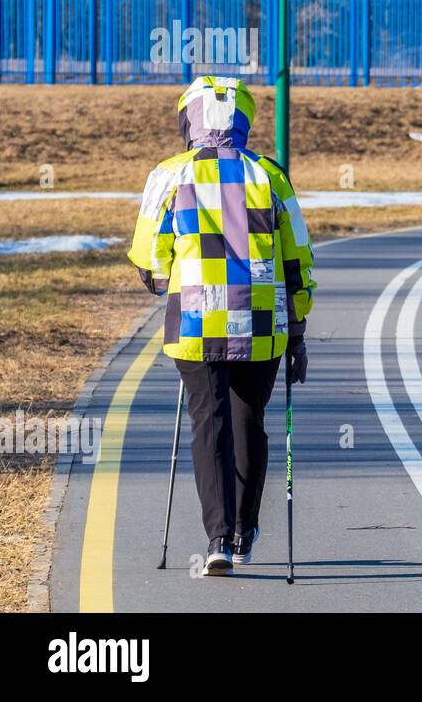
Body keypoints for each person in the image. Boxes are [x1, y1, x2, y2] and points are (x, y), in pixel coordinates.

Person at [128, 75, 315, 576]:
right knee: (248, 421)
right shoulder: (271, 176)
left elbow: (149, 259)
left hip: (194, 321)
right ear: (244, 119)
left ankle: (216, 538)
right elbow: (297, 257)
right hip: (261, 322)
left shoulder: (168, 175)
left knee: (207, 422)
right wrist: (297, 327)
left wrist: (170, 275)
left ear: (188, 119)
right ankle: (243, 532)